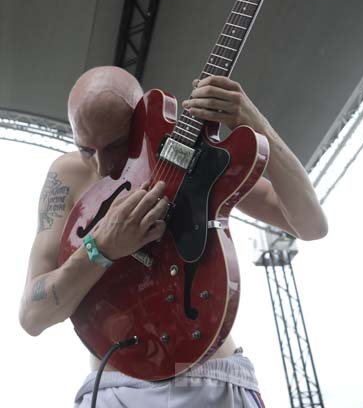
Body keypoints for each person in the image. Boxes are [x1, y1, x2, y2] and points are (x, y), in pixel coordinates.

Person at [19, 65, 328, 407]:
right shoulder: (66, 176)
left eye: (116, 144)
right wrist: (102, 246)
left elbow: (311, 225)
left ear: (142, 118)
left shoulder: (194, 159)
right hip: (115, 388)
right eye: (86, 149)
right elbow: (33, 316)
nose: (102, 166)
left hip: (213, 380)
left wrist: (257, 124)